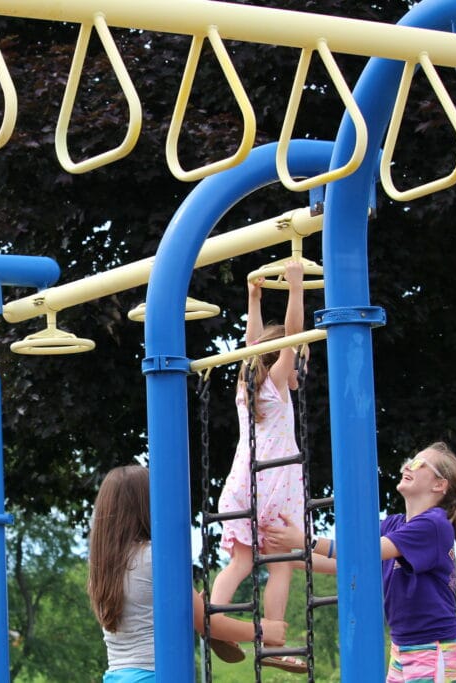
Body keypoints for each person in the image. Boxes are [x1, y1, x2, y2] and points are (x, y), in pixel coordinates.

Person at [263, 442, 456, 682]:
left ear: (439, 484)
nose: (407, 465)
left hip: (432, 647)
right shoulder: (394, 524)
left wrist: (304, 540)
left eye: (418, 463)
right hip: (403, 644)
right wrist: (290, 558)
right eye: (409, 459)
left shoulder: (434, 525)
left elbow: (364, 553)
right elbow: (349, 562)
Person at [87, 464, 287, 682]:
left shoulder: (103, 566)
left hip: (117, 675)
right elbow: (206, 625)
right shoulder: (156, 556)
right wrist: (263, 630)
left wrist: (190, 606)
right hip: (155, 676)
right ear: (150, 504)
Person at [207, 259, 308, 674]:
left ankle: (216, 619)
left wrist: (254, 296)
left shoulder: (248, 383)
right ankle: (277, 641)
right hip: (275, 485)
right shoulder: (277, 384)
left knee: (241, 562)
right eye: (302, 359)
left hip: (240, 484)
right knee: (282, 566)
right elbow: (294, 334)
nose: (303, 366)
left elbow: (252, 343)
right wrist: (296, 288)